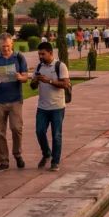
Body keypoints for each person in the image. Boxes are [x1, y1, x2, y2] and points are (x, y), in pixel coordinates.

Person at [0, 33, 29, 173]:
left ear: (12, 44)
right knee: (0, 132)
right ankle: (3, 161)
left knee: (16, 128)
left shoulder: (19, 58)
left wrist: (19, 77)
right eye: (3, 46)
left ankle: (17, 154)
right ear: (0, 45)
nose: (5, 49)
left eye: (7, 46)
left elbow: (25, 78)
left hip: (15, 99)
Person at [31, 42, 70, 172]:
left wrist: (50, 81)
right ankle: (47, 153)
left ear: (50, 53)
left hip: (57, 106)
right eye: (39, 54)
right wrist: (36, 80)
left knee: (56, 135)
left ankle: (55, 161)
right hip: (42, 106)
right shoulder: (38, 67)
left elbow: (65, 85)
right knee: (39, 131)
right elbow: (32, 86)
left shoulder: (60, 66)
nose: (40, 56)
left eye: (43, 54)